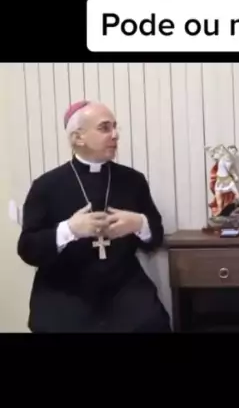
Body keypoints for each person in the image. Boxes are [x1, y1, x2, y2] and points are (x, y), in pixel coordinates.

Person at [17, 100, 171, 333]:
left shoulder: (133, 180)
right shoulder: (46, 186)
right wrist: (69, 230)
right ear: (78, 138)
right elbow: (28, 249)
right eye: (105, 128)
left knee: (152, 322)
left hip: (124, 287)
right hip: (64, 288)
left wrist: (139, 224)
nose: (115, 135)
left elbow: (156, 237)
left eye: (115, 127)